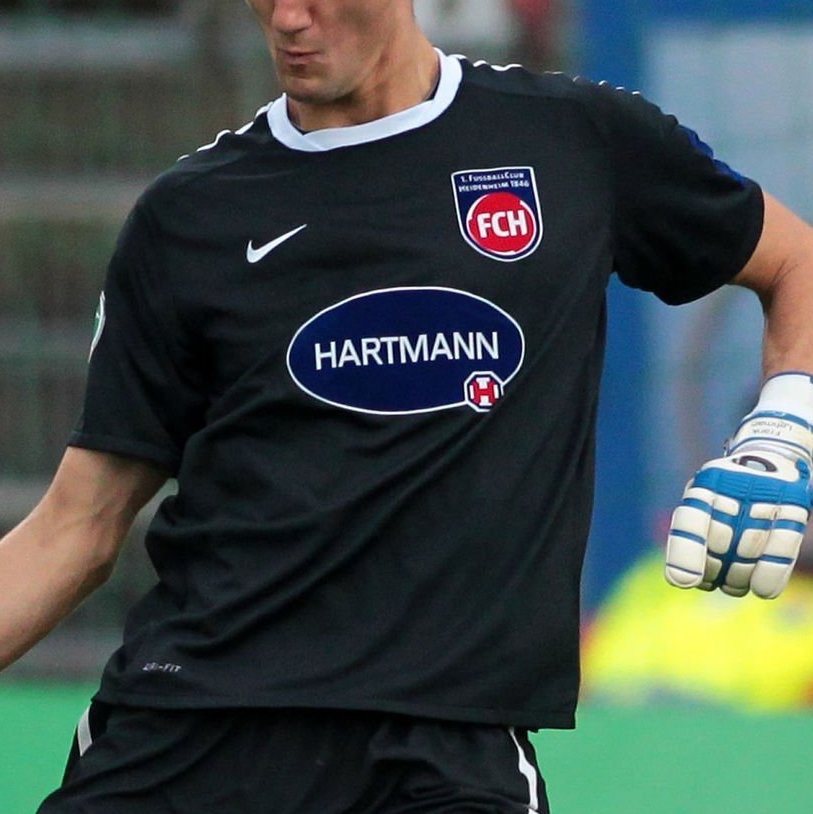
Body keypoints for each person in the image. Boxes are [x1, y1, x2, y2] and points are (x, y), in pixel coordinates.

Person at [3, 1, 813, 811]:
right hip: (192, 728)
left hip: (443, 753)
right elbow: (77, 528)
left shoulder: (572, 141)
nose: (287, 19)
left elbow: (794, 263)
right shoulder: (189, 213)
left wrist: (781, 428)